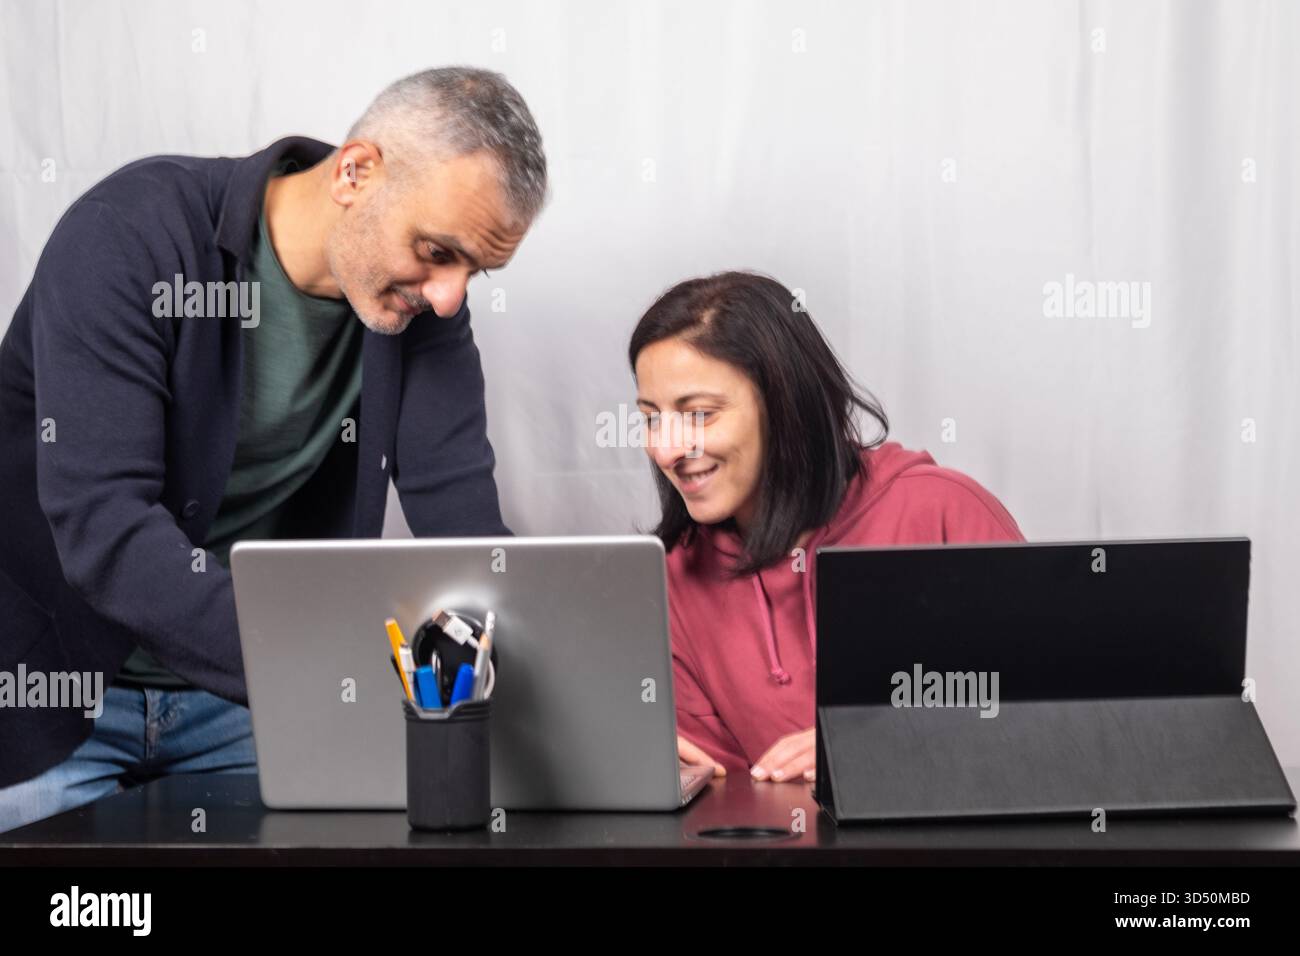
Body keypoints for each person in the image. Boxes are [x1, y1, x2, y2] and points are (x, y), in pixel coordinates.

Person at [0, 67, 547, 831]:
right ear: (355, 172)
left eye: (473, 272)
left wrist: (580, 706)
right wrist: (318, 663)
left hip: (250, 706)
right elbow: (104, 525)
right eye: (435, 250)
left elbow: (464, 522)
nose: (451, 296)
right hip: (53, 695)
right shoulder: (125, 237)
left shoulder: (422, 305)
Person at [629, 271, 1024, 783]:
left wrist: (883, 748)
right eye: (652, 417)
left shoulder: (943, 512)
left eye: (700, 414)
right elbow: (731, 803)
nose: (665, 449)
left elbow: (1055, 718)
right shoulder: (675, 580)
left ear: (786, 405)